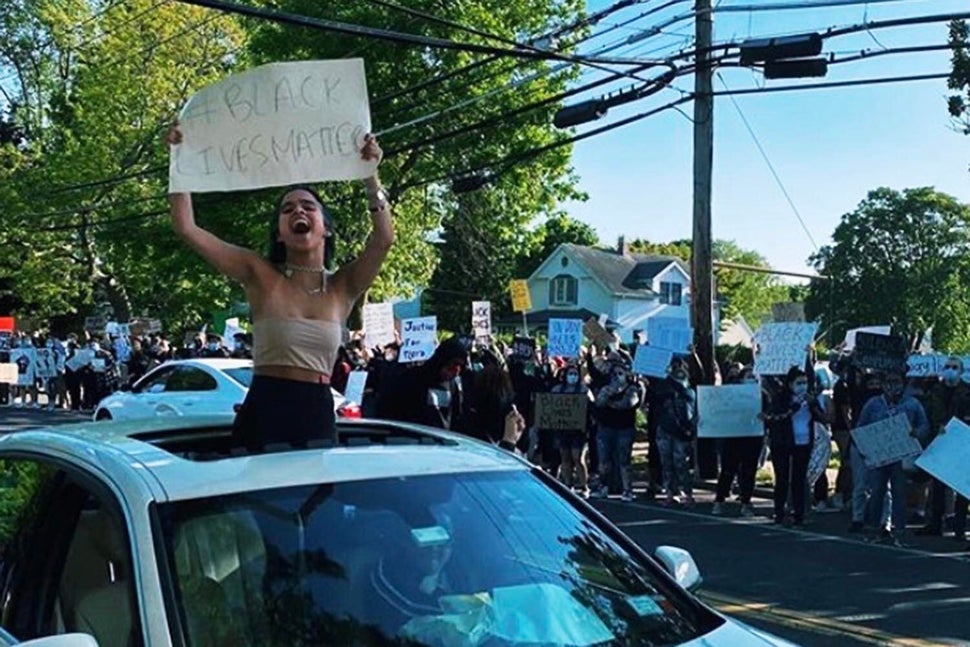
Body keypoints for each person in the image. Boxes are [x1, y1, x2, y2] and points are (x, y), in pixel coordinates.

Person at [167, 125, 392, 450]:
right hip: (264, 413)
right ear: (279, 234)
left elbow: (384, 239)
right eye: (287, 209)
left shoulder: (343, 286)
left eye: (307, 206)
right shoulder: (259, 274)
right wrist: (178, 158)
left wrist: (371, 174)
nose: (298, 210)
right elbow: (186, 227)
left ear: (325, 228)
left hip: (317, 415)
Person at [855, 369, 929, 546]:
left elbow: (925, 424)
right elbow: (861, 426)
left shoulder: (912, 404)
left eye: (896, 381)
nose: (892, 385)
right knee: (877, 492)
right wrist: (865, 448)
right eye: (889, 381)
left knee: (899, 494)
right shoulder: (873, 404)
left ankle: (900, 532)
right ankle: (874, 530)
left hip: (901, 456)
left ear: (903, 384)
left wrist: (916, 433)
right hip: (879, 457)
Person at [763, 366, 829, 527]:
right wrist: (794, 406)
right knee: (783, 478)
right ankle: (780, 512)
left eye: (805, 382)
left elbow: (824, 418)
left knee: (799, 479)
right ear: (790, 384)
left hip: (804, 442)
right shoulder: (781, 398)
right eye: (799, 383)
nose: (803, 386)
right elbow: (776, 417)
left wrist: (813, 404)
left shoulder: (810, 400)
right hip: (783, 443)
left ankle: (799, 513)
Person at [917, 356, 970, 540]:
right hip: (939, 442)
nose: (950, 370)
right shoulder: (936, 390)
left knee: (961, 487)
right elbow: (929, 413)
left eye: (954, 367)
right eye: (947, 366)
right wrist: (938, 425)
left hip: (961, 444)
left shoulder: (967, 392)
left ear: (961, 371)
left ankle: (959, 528)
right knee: (938, 486)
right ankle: (935, 524)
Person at [376, 337, 468, 430]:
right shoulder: (412, 379)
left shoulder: (452, 385)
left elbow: (455, 416)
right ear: (442, 361)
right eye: (451, 365)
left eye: (460, 366)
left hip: (441, 439)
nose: (455, 371)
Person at [654, 359, 696, 508]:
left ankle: (688, 495)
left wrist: (668, 377)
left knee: (681, 465)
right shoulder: (664, 392)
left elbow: (680, 388)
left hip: (681, 432)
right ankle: (670, 494)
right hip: (665, 431)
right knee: (666, 464)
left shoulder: (689, 392)